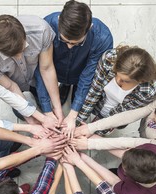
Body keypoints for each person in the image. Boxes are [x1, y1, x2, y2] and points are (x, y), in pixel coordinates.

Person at [34, 0, 113, 137]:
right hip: (55, 70)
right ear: (59, 21)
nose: (69, 46)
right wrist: (48, 109)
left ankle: (71, 89)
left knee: (81, 92)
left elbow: (88, 75)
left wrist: (73, 114)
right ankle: (64, 85)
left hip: (81, 72)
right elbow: (42, 69)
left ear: (89, 28)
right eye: (64, 41)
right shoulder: (45, 27)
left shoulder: (102, 37)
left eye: (76, 43)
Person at [0, 14, 60, 131]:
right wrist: (30, 120)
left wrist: (57, 108)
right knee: (21, 112)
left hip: (36, 73)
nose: (20, 56)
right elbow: (11, 86)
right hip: (14, 81)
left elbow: (47, 68)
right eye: (13, 55)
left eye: (23, 49)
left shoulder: (41, 30)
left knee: (45, 98)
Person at [76, 45, 156, 136]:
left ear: (141, 81)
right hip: (99, 103)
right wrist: (78, 121)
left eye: (125, 80)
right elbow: (94, 91)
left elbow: (122, 114)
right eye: (116, 73)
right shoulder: (109, 59)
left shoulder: (148, 91)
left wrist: (95, 132)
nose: (118, 81)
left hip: (117, 116)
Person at [73, 90, 156, 153]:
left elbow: (134, 142)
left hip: (146, 140)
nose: (151, 119)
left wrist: (91, 144)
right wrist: (92, 127)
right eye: (155, 114)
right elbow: (139, 112)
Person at [77, 145, 156, 194]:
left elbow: (114, 180)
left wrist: (83, 158)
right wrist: (93, 141)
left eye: (124, 168)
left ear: (129, 178)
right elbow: (126, 154)